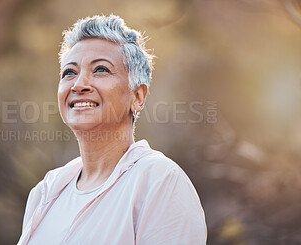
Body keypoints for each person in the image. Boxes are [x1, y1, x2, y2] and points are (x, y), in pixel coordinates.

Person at [18, 14, 207, 245]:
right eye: (70, 72)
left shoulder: (160, 182)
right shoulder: (45, 193)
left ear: (137, 97)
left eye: (100, 70)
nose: (79, 85)